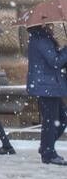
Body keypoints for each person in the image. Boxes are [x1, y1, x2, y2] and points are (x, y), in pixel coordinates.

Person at [26, 24, 67, 166]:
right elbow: (55, 62)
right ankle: (48, 153)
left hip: (50, 86)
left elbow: (53, 59)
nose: (52, 26)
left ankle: (46, 147)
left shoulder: (42, 39)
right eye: (49, 24)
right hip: (47, 86)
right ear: (42, 25)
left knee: (61, 118)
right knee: (51, 121)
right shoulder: (41, 40)